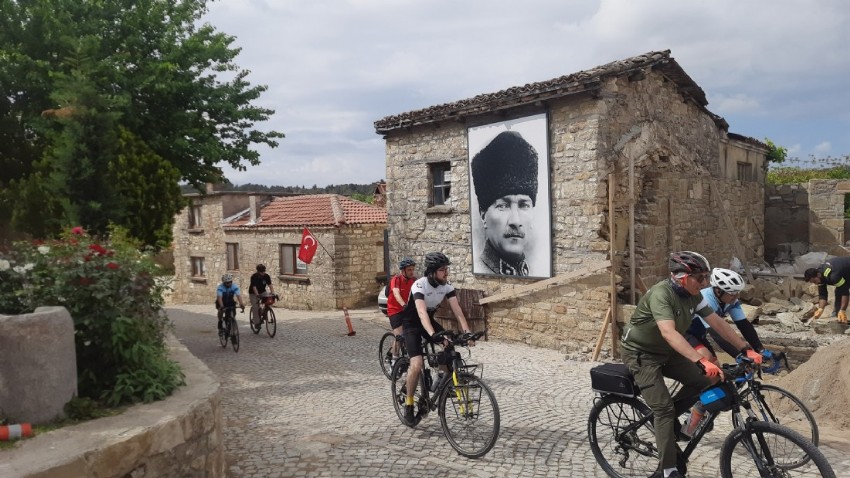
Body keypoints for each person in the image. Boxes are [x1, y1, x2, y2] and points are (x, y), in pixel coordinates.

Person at [621, 252, 763, 478]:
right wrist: (701, 360)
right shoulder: (661, 294)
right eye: (699, 277)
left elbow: (717, 323)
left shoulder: (694, 296)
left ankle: (667, 421)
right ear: (680, 277)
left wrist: (746, 348)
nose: (705, 283)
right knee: (664, 408)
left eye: (706, 277)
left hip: (667, 352)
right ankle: (667, 470)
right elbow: (669, 333)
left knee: (711, 379)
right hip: (642, 354)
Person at [400, 252, 475, 426]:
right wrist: (433, 334)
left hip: (429, 322)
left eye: (446, 269)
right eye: (442, 270)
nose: (446, 273)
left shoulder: (446, 286)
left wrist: (467, 331)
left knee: (449, 347)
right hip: (412, 324)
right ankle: (409, 402)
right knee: (417, 364)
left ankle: (441, 378)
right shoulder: (420, 285)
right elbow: (420, 312)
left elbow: (457, 311)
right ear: (432, 272)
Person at [471, 130, 538, 276]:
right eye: (503, 206)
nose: (515, 221)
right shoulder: (479, 268)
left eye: (524, 205)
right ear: (483, 216)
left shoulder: (533, 271)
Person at [685, 268, 775, 363]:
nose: (736, 297)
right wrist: (738, 355)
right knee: (708, 361)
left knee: (715, 365)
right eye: (732, 293)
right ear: (718, 291)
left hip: (699, 333)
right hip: (685, 333)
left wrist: (760, 349)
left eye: (737, 293)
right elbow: (717, 334)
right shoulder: (706, 300)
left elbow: (744, 325)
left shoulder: (730, 301)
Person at [386, 257, 417, 366]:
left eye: (413, 269)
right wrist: (403, 304)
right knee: (399, 337)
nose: (412, 272)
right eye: (409, 270)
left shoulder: (414, 280)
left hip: (407, 310)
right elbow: (396, 293)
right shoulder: (396, 279)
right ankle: (394, 361)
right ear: (403, 271)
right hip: (395, 310)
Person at [804, 257, 850, 323]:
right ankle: (837, 315)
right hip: (845, 274)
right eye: (813, 282)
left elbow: (844, 291)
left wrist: (843, 310)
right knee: (838, 290)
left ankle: (841, 312)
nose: (815, 283)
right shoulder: (820, 276)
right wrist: (820, 309)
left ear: (818, 275)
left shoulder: (834, 276)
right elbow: (823, 295)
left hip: (846, 270)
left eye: (814, 281)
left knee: (841, 290)